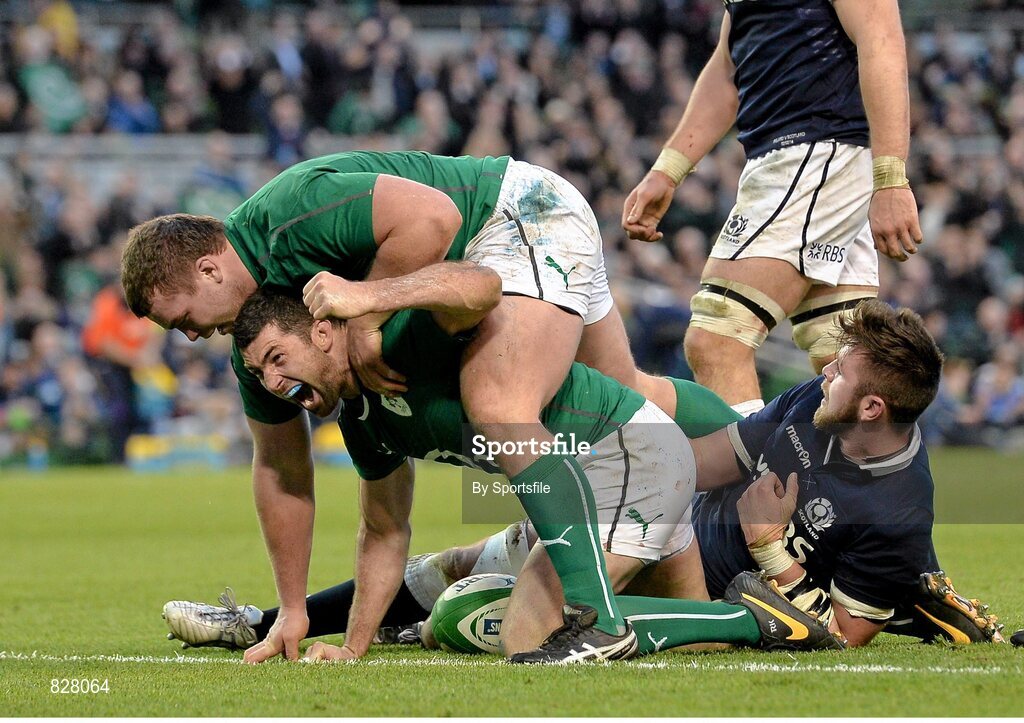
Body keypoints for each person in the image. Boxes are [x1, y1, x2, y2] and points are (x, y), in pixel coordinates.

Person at [121, 151, 738, 660]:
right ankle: (756, 447)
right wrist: (292, 609)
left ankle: (596, 611)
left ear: (208, 270)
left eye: (183, 321)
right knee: (626, 393)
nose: (191, 338)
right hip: (475, 296)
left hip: (513, 214)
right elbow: (283, 472)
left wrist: (370, 313)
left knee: (500, 400)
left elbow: (436, 219)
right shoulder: (265, 343)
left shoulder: (290, 214)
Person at [165, 301, 1003, 651]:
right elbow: (715, 445)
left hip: (715, 581)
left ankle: (451, 628)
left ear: (872, 410)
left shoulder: (894, 510)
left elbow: (839, 637)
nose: (824, 373)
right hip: (659, 517)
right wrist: (588, 457)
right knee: (447, 567)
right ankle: (269, 621)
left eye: (842, 374)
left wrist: (769, 547)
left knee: (484, 617)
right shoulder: (802, 409)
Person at [205, 268, 838, 662]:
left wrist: (375, 294)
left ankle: (749, 617)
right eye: (259, 374)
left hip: (628, 456)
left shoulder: (401, 338)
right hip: (582, 479)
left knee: (528, 637)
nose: (272, 381)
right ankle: (759, 620)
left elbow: (480, 285)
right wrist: (352, 646)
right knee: (692, 638)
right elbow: (384, 530)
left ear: (320, 333)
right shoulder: (360, 419)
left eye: (275, 357)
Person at [622, 0, 923, 417]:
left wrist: (891, 177)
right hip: (800, 158)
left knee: (718, 335)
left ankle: (748, 479)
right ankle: (872, 480)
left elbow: (882, 38)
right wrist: (668, 169)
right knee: (844, 362)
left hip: (815, 151)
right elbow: (729, 67)